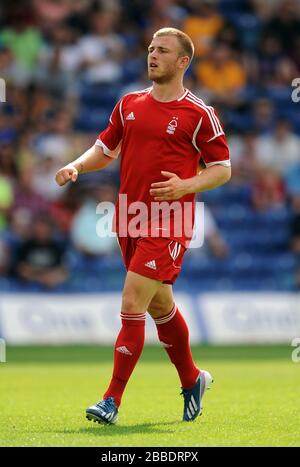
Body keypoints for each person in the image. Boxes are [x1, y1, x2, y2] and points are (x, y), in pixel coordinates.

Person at [55, 27, 231, 424]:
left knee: (132, 301)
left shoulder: (199, 113)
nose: (152, 55)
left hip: (170, 222)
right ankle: (192, 378)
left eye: (162, 50)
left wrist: (186, 185)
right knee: (159, 304)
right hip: (129, 219)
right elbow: (105, 149)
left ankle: (111, 400)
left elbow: (222, 169)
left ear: (183, 62)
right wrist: (76, 165)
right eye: (150, 48)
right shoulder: (129, 103)